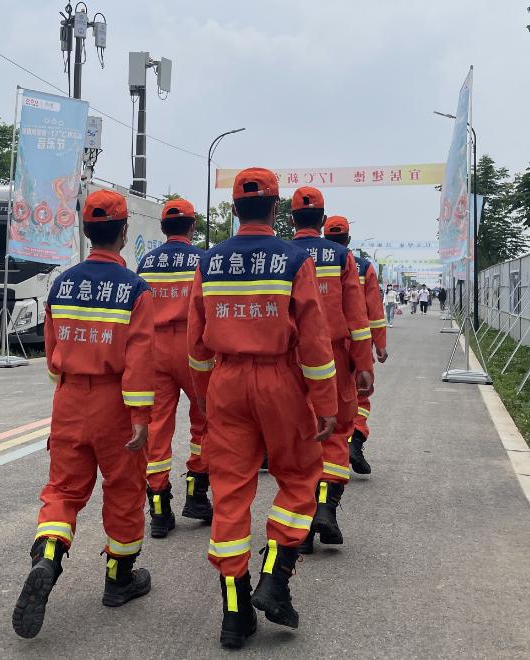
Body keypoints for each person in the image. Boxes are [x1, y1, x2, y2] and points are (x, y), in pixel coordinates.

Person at [188, 168, 337, 649]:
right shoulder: (295, 260)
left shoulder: (208, 263)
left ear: (234, 210)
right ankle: (275, 573)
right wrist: (326, 403)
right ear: (277, 210)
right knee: (298, 477)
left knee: (230, 492)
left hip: (226, 382)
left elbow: (195, 347)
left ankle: (234, 614)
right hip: (280, 381)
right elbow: (314, 342)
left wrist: (206, 395)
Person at [13, 190, 156, 639]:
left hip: (70, 399)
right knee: (125, 488)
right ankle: (119, 579)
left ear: (86, 232)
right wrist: (140, 415)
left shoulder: (62, 284)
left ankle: (49, 557)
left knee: (63, 489)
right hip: (116, 402)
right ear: (124, 233)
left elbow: (52, 351)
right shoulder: (134, 290)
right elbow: (138, 359)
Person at [291, 193, 373, 552]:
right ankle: (327, 506)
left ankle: (302, 522)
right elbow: (357, 317)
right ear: (322, 219)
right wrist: (364, 362)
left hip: (293, 356)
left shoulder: (282, 256)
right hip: (336, 356)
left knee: (302, 433)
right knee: (338, 430)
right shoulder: (343, 257)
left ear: (292, 219)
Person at [137, 198, 211, 538]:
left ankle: (159, 509)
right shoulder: (202, 260)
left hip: (154, 350)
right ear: (192, 226)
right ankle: (196, 493)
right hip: (192, 348)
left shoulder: (146, 262)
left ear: (163, 228)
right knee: (204, 421)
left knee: (156, 427)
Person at [323, 217, 388, 475]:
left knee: (312, 396)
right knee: (360, 395)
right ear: (348, 240)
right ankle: (355, 441)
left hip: (318, 340)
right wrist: (379, 343)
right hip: (355, 340)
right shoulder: (361, 266)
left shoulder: (307, 260)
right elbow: (373, 309)